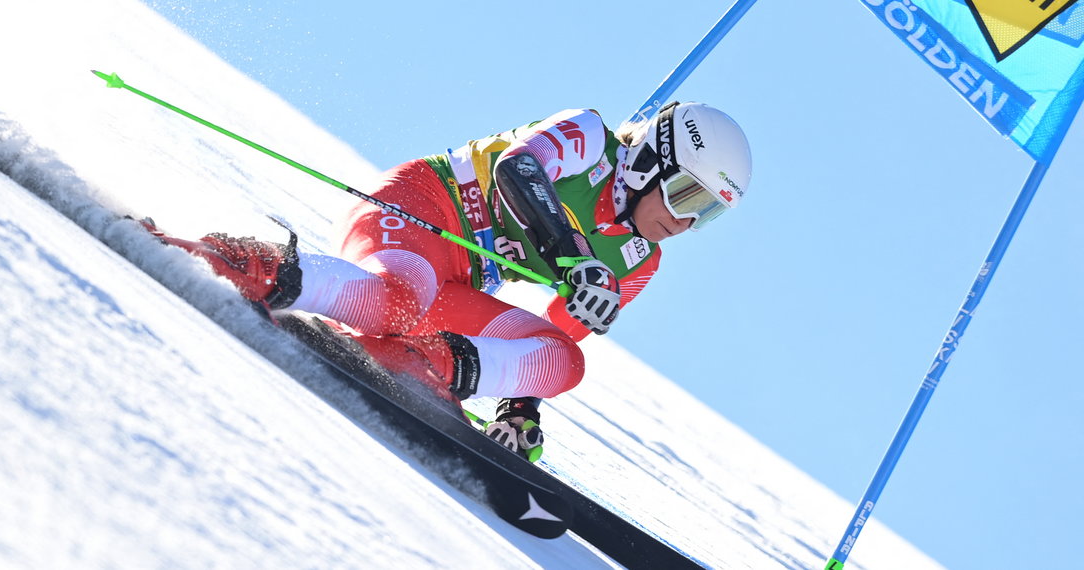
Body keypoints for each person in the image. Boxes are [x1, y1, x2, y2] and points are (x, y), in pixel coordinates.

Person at [149, 101, 752, 460]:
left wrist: (521, 408)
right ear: (652, 160)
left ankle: (431, 369)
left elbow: (557, 329)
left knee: (563, 360)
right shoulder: (589, 138)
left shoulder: (639, 260)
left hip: (454, 286)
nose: (684, 219)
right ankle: (248, 263)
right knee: (399, 300)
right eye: (687, 193)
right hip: (415, 210)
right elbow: (519, 171)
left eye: (708, 213)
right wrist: (572, 256)